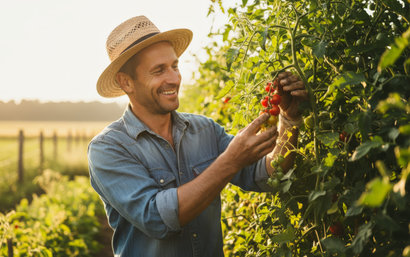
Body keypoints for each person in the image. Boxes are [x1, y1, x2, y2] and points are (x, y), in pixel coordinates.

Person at [88, 15, 307, 257]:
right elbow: (157, 218)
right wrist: (230, 160)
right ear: (126, 82)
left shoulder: (205, 130)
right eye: (159, 70)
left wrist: (290, 119)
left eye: (174, 66)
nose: (173, 78)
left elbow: (268, 175)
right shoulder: (108, 148)